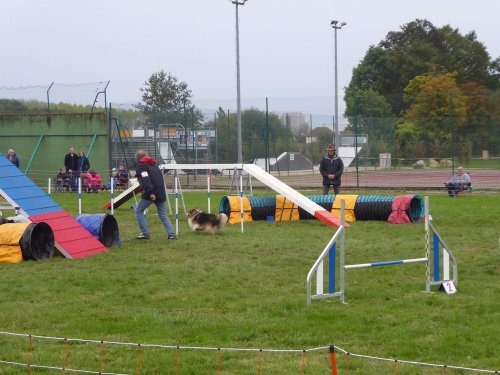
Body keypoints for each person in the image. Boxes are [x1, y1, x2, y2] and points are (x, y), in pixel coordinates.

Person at [134, 150, 175, 240]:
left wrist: (151, 193)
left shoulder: (141, 165)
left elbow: (145, 179)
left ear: (138, 158)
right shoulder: (154, 165)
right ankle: (171, 235)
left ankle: (145, 233)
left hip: (151, 192)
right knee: (163, 214)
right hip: (160, 192)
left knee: (139, 211)